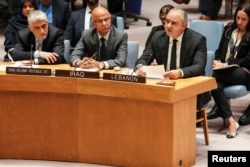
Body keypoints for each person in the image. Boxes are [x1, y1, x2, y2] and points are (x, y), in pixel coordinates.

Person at [135, 8, 211, 110]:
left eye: (174, 23)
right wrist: (140, 67)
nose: (168, 26)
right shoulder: (157, 37)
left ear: (184, 25)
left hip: (187, 85)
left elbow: (199, 67)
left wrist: (179, 73)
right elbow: (143, 58)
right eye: (167, 22)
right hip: (163, 85)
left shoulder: (197, 40)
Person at [207, 3, 250, 138]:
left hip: (244, 72)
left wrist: (227, 64)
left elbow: (247, 61)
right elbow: (219, 51)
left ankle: (213, 108)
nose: (239, 22)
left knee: (214, 75)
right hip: (224, 70)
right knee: (215, 85)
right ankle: (231, 121)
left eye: (244, 19)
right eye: (237, 18)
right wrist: (218, 61)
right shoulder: (229, 29)